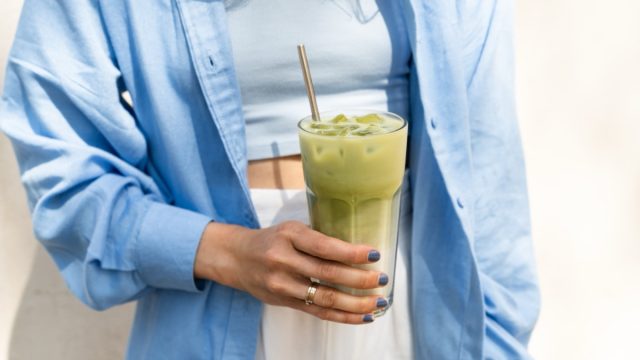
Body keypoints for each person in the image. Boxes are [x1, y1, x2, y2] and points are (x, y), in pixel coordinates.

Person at [0, 0, 540, 359]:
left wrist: (498, 345)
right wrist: (228, 253)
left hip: (397, 313)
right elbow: (63, 170)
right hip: (215, 317)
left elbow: (489, 184)